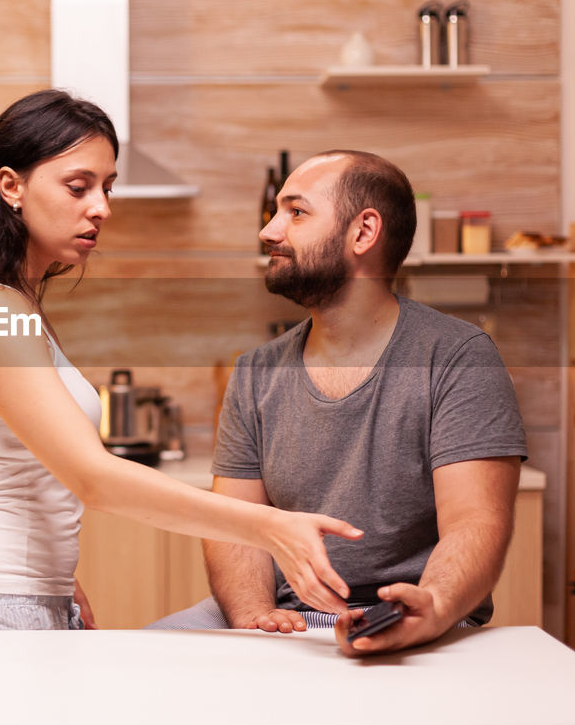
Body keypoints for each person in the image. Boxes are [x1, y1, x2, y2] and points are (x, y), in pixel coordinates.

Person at [0, 91, 364, 631]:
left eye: (107, 187)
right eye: (78, 187)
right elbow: (92, 478)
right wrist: (268, 526)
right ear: (11, 186)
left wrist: (51, 574)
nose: (101, 207)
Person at [149, 150, 526, 656]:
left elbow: (475, 523)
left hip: (413, 617)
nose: (269, 231)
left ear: (363, 232)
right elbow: (233, 524)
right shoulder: (255, 372)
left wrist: (431, 607)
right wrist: (254, 618)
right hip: (286, 618)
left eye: (296, 212)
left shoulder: (458, 358)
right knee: (147, 657)